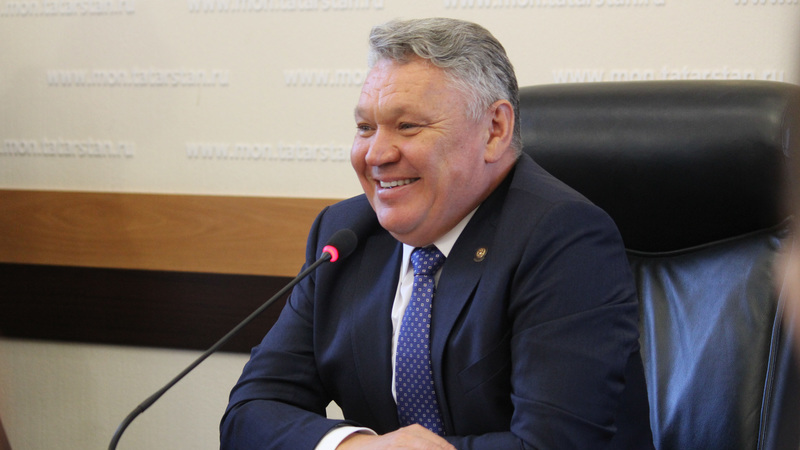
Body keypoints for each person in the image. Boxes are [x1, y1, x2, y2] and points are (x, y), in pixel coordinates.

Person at [221, 17, 654, 449]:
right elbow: (248, 414)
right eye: (365, 128)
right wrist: (355, 447)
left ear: (495, 130)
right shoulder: (344, 235)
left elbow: (552, 444)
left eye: (408, 126)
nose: (376, 154)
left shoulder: (564, 239)